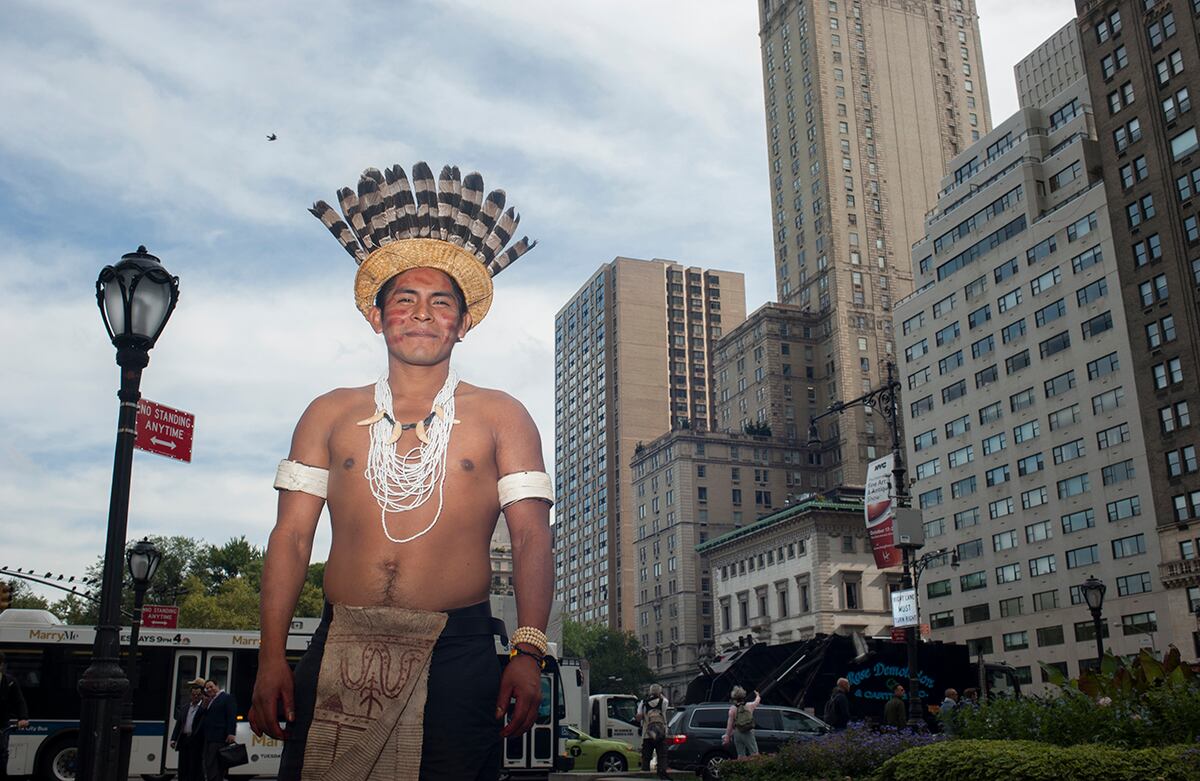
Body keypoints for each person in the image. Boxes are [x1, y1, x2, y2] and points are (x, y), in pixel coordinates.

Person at [249, 162, 553, 781]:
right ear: (376, 316)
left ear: (463, 323)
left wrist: (527, 652)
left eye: (440, 303)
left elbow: (530, 536)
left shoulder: (503, 416)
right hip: (338, 642)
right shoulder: (329, 412)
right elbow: (291, 537)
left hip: (459, 648)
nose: (421, 313)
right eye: (404, 300)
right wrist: (270, 655)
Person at [170, 678, 208, 781]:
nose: (195, 697)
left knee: (194, 767)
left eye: (198, 695)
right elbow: (179, 724)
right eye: (193, 695)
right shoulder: (185, 707)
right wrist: (173, 739)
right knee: (183, 766)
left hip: (196, 741)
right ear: (190, 696)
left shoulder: (203, 709)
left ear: (201, 695)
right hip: (184, 740)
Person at [0, 652, 30, 781]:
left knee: (2, 752)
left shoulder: (10, 682)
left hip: (1, 723)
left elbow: (19, 701)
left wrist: (22, 718)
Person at [200, 680, 237, 781]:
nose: (209, 689)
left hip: (219, 737)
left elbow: (231, 716)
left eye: (211, 687)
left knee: (214, 764)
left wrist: (231, 733)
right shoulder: (210, 700)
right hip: (208, 737)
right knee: (209, 763)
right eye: (207, 688)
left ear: (217, 686)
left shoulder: (226, 698)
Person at [636, 683, 670, 778]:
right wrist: (660, 695)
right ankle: (662, 774)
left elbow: (638, 717)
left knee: (646, 757)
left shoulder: (643, 703)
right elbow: (666, 704)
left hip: (647, 734)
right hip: (660, 733)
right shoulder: (664, 702)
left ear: (650, 692)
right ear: (660, 692)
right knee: (662, 756)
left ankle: (645, 774)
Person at [722, 686, 761, 758]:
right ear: (743, 696)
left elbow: (729, 725)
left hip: (737, 732)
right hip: (748, 732)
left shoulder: (732, 709)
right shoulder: (750, 705)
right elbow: (757, 701)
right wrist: (757, 695)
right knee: (754, 753)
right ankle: (754, 767)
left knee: (740, 754)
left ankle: (742, 767)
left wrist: (727, 735)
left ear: (734, 698)